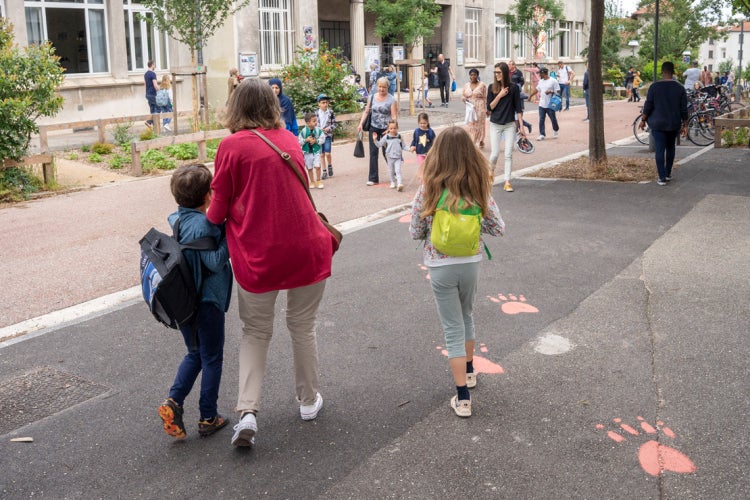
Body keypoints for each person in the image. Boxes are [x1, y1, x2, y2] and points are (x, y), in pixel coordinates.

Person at [207, 79, 337, 448]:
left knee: (255, 332)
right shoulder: (290, 140)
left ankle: (248, 410)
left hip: (259, 255)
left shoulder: (231, 146)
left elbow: (216, 212)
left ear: (235, 108)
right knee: (302, 325)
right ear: (271, 105)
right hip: (307, 247)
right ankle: (308, 401)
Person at [408, 126, 505, 419]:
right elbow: (498, 227)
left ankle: (462, 398)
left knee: (452, 327)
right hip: (471, 261)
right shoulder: (478, 186)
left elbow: (415, 230)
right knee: (467, 315)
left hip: (439, 265)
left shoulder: (429, 187)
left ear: (438, 154)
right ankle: (471, 371)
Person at [157, 163, 233, 440]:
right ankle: (208, 417)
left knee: (195, 354)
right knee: (212, 358)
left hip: (185, 303)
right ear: (208, 195)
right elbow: (213, 262)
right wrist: (229, 234)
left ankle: (173, 402)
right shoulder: (203, 226)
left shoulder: (178, 218)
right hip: (207, 303)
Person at [639, 61, 688, 186]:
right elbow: (684, 109)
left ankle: (661, 178)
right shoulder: (680, 88)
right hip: (673, 123)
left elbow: (648, 105)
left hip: (658, 123)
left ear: (662, 72)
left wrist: (643, 120)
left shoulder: (654, 87)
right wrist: (685, 124)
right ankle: (667, 173)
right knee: (671, 147)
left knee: (660, 149)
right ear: (673, 73)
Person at [486, 62, 526, 193]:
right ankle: (490, 173)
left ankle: (507, 181)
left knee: (508, 154)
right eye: (495, 72)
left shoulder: (514, 88)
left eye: (499, 72)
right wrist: (500, 95)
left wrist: (521, 126)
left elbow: (518, 108)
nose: (496, 75)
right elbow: (490, 107)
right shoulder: (491, 87)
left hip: (509, 125)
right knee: (495, 154)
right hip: (495, 124)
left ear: (504, 73)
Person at [357, 76, 398, 186]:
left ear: (387, 88)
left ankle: (394, 173)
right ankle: (373, 178)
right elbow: (366, 112)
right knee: (373, 153)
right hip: (374, 128)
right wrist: (361, 124)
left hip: (386, 130)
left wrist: (390, 129)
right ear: (377, 86)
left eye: (384, 87)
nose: (381, 89)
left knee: (387, 153)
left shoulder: (392, 99)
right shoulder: (372, 97)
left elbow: (394, 116)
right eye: (379, 87)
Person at [374, 119, 409, 191]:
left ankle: (399, 183)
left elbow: (404, 146)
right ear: (388, 128)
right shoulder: (386, 137)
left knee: (398, 170)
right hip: (389, 157)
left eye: (394, 128)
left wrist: (410, 149)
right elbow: (379, 145)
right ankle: (392, 182)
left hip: (398, 157)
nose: (393, 130)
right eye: (391, 128)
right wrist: (375, 140)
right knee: (391, 171)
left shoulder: (399, 137)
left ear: (397, 128)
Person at [528, 67, 560, 142]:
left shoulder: (553, 81)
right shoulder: (541, 81)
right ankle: (542, 134)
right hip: (542, 104)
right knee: (541, 119)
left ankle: (555, 130)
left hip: (551, 105)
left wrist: (551, 91)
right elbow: (537, 89)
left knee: (553, 119)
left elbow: (558, 91)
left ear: (543, 73)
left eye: (540, 73)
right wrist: (530, 96)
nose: (539, 75)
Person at [298, 112, 326, 189]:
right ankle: (312, 182)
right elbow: (299, 142)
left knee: (317, 166)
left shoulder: (318, 130)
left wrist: (316, 141)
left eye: (316, 120)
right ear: (308, 123)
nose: (316, 122)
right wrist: (306, 140)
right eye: (314, 121)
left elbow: (323, 139)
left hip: (316, 152)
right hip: (307, 153)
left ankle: (319, 181)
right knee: (309, 168)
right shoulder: (303, 132)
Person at [462, 68, 487, 148]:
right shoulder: (466, 85)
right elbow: (463, 95)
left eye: (474, 75)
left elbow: (486, 96)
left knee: (479, 124)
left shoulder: (482, 85)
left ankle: (479, 140)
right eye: (471, 75)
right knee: (471, 124)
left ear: (477, 75)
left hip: (480, 107)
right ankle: (472, 140)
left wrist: (486, 109)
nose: (473, 76)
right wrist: (463, 98)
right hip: (470, 107)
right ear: (469, 76)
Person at [316, 94, 336, 179]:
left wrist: (329, 128)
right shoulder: (316, 113)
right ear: (319, 104)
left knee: (327, 153)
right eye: (323, 102)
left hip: (327, 135)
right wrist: (318, 129)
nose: (325, 104)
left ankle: (330, 166)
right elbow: (314, 124)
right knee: (321, 154)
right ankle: (324, 171)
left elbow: (335, 124)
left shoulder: (330, 112)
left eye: (326, 102)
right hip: (319, 136)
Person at [410, 112, 435, 180]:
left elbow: (434, 141)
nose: (422, 125)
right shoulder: (417, 131)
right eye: (421, 123)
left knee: (428, 167)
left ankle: (427, 178)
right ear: (418, 122)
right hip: (419, 153)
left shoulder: (430, 131)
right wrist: (412, 146)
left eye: (424, 123)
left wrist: (433, 149)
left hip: (428, 153)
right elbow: (414, 140)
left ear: (427, 122)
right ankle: (422, 180)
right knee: (422, 166)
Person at [144, 60, 159, 129]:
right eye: (154, 65)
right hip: (153, 94)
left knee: (152, 109)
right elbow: (155, 85)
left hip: (148, 94)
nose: (155, 66)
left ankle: (153, 126)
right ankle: (149, 121)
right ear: (152, 65)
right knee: (158, 108)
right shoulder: (153, 74)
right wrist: (160, 91)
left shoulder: (146, 74)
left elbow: (145, 84)